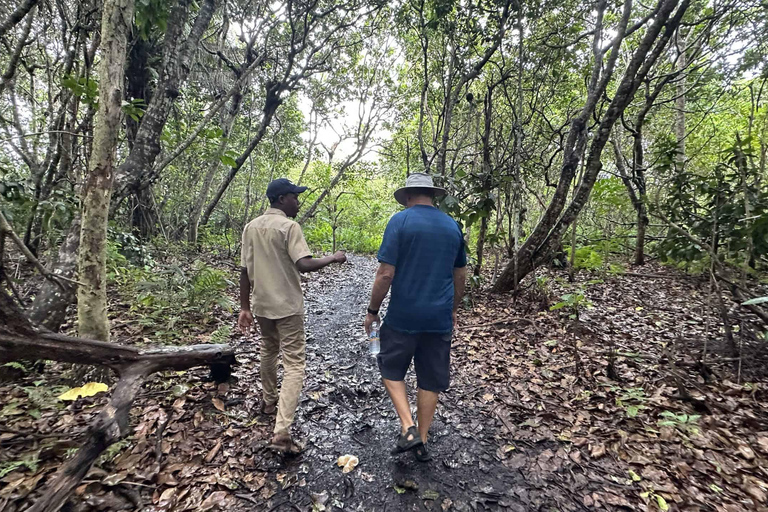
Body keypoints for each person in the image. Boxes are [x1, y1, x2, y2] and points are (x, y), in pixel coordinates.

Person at [239, 177, 346, 454]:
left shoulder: (251, 227)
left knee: (268, 349)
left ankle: (268, 401)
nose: (298, 202)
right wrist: (333, 258)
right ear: (282, 199)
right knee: (295, 364)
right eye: (295, 197)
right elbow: (304, 264)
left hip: (262, 304)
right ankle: (281, 432)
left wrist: (245, 307)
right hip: (287, 305)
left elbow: (243, 270)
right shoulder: (289, 226)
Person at [364, 172, 467, 462]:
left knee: (390, 367)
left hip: (404, 315)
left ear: (408, 196)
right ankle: (421, 439)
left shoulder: (401, 220)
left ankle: (408, 426)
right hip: (439, 317)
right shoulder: (452, 226)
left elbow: (385, 273)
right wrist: (453, 308)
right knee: (430, 377)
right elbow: (460, 274)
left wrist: (372, 312)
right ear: (433, 195)